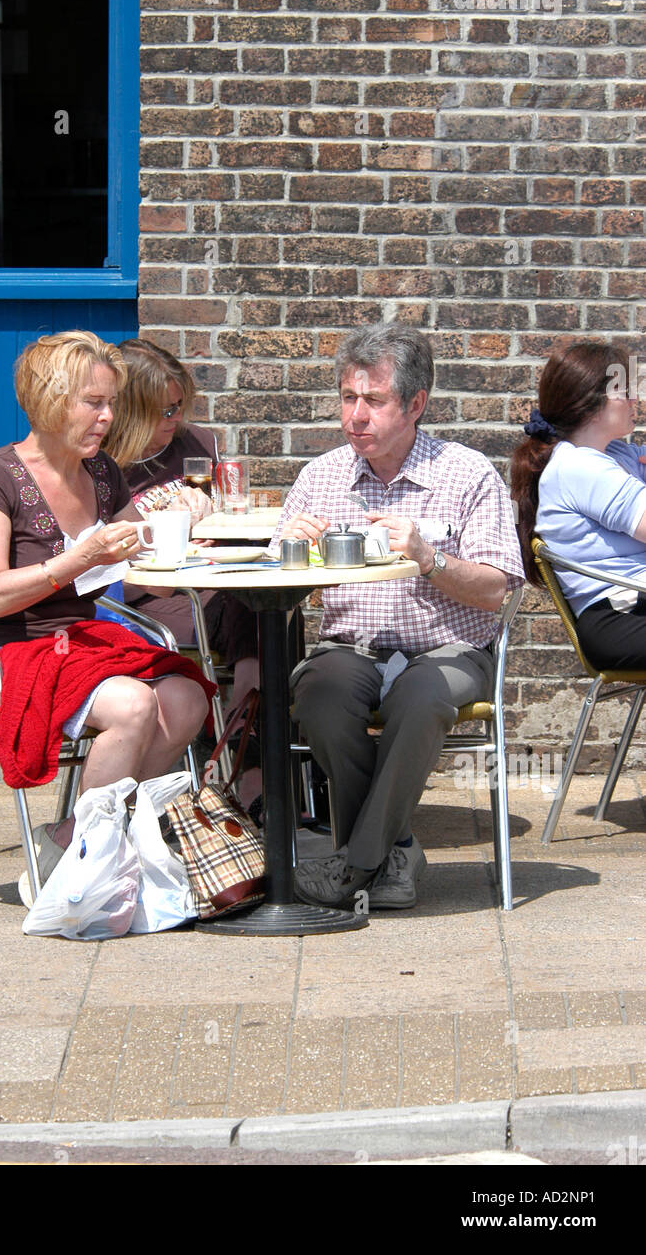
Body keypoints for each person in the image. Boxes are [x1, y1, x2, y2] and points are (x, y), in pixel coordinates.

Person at [0, 331, 213, 906]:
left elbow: (138, 560)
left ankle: (83, 840)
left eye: (110, 403)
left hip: (77, 646)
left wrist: (179, 523)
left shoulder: (104, 473)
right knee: (134, 704)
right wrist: (78, 560)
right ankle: (86, 863)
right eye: (95, 402)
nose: (109, 417)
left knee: (188, 700)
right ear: (50, 399)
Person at [271, 323, 524, 910]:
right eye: (347, 398)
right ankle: (396, 850)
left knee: (421, 697)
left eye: (374, 401)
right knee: (318, 695)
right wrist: (289, 549)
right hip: (351, 648)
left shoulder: (466, 475)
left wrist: (430, 559)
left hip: (449, 651)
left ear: (415, 405)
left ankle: (353, 865)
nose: (355, 416)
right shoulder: (321, 477)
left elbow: (497, 591)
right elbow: (291, 593)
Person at [105, 339, 262, 805]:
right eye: (162, 413)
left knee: (267, 606)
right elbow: (103, 553)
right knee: (253, 611)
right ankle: (249, 765)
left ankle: (248, 744)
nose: (175, 422)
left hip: (203, 583)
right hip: (134, 598)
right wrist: (169, 526)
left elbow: (230, 523)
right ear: (128, 412)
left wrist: (213, 518)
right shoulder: (100, 464)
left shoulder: (197, 445)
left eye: (179, 408)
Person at [510, 339, 646, 670]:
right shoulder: (580, 467)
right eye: (623, 390)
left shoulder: (614, 455)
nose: (635, 399)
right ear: (589, 403)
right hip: (620, 617)